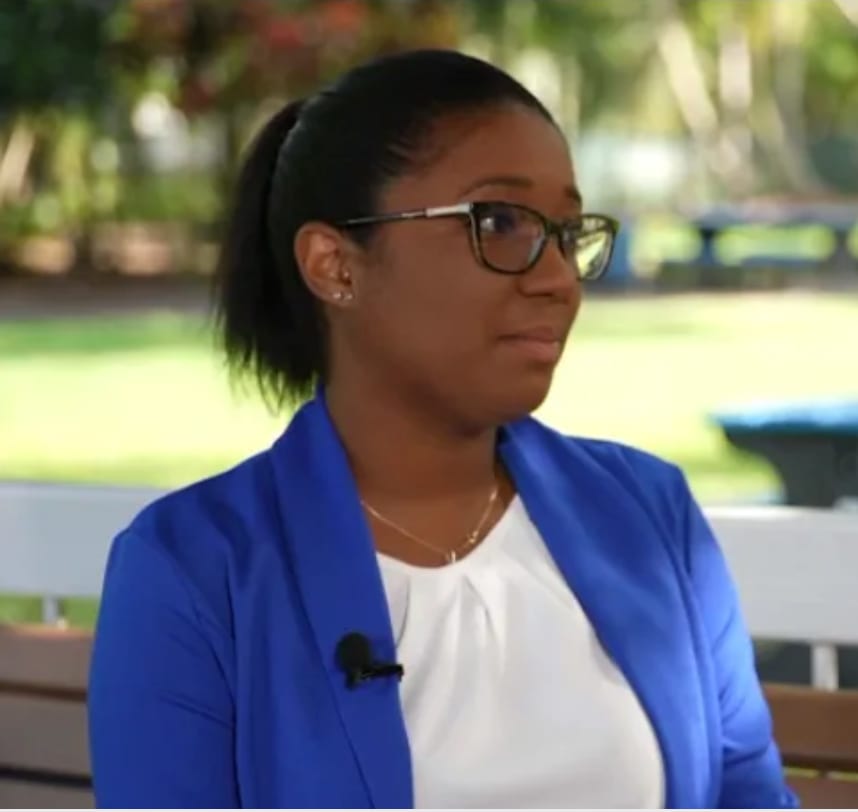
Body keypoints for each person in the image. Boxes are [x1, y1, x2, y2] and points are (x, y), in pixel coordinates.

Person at [87, 49, 798, 809]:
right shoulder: (196, 572)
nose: (558, 278)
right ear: (335, 265)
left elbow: (747, 794)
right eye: (499, 222)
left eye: (567, 233)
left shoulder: (649, 516)